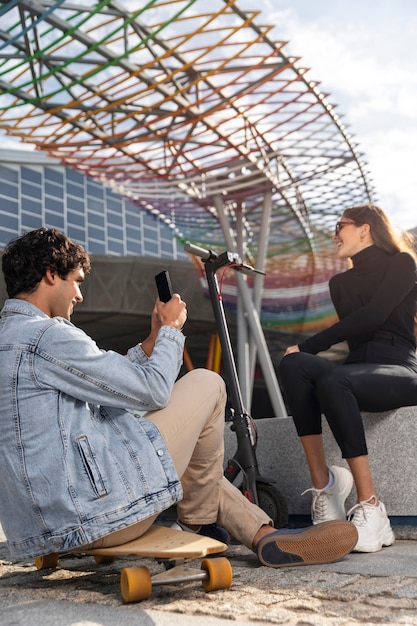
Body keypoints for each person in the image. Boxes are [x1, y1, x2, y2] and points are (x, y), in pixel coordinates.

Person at [0, 227, 357, 569]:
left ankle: (263, 535)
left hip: (42, 529)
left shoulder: (13, 339)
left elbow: (104, 382)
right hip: (95, 518)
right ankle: (196, 527)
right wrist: (171, 332)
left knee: (183, 460)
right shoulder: (49, 336)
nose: (79, 295)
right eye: (76, 281)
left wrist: (152, 343)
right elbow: (152, 391)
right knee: (207, 383)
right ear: (50, 275)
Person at [279, 203, 417, 553]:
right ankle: (325, 486)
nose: (334, 235)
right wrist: (302, 354)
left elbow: (374, 316)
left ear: (365, 228)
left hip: (399, 367)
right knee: (294, 366)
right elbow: (355, 333)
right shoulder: (338, 282)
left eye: (339, 226)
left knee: (331, 378)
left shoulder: (402, 263)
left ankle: (372, 508)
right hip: (355, 370)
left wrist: (307, 344)